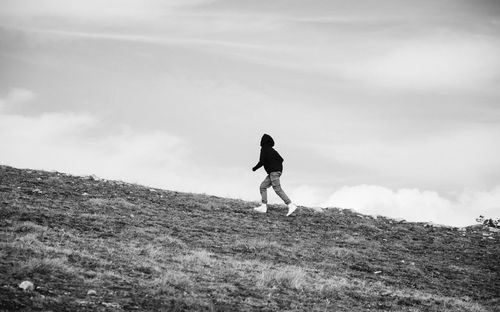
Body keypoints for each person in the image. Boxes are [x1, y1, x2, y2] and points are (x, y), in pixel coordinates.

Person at [252, 134, 298, 216]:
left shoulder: (264, 149)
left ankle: (290, 205)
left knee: (277, 189)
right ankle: (263, 206)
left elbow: (261, 162)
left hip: (274, 172)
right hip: (276, 172)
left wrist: (254, 168)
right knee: (263, 186)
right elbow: (281, 159)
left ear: (263, 142)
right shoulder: (272, 150)